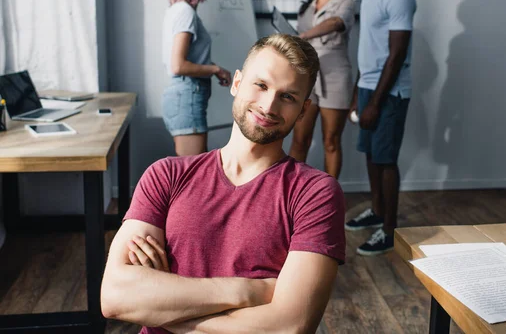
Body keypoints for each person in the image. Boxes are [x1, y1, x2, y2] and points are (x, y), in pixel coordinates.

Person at [101, 34, 346, 334]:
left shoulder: (315, 193)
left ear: (304, 110)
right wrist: (244, 291)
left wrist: (165, 310)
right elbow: (115, 297)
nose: (269, 106)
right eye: (261, 85)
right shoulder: (166, 175)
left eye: (288, 97)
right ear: (237, 83)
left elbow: (289, 326)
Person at [341, 0, 416, 256]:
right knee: (371, 155)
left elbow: (396, 55)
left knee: (386, 159)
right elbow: (369, 50)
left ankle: (389, 230)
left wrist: (375, 103)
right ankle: (376, 210)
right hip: (369, 86)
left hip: (391, 91)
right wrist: (360, 94)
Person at [289, 0, 356, 179]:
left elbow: (336, 23)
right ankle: (290, 194)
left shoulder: (346, 3)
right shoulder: (306, 7)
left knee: (331, 141)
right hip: (308, 78)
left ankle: (330, 198)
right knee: (300, 138)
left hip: (335, 77)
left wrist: (305, 35)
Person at [162, 0, 232, 156]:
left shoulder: (176, 9)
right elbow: (179, 65)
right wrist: (215, 69)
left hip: (184, 96)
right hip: (187, 95)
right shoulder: (185, 12)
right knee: (193, 174)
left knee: (196, 171)